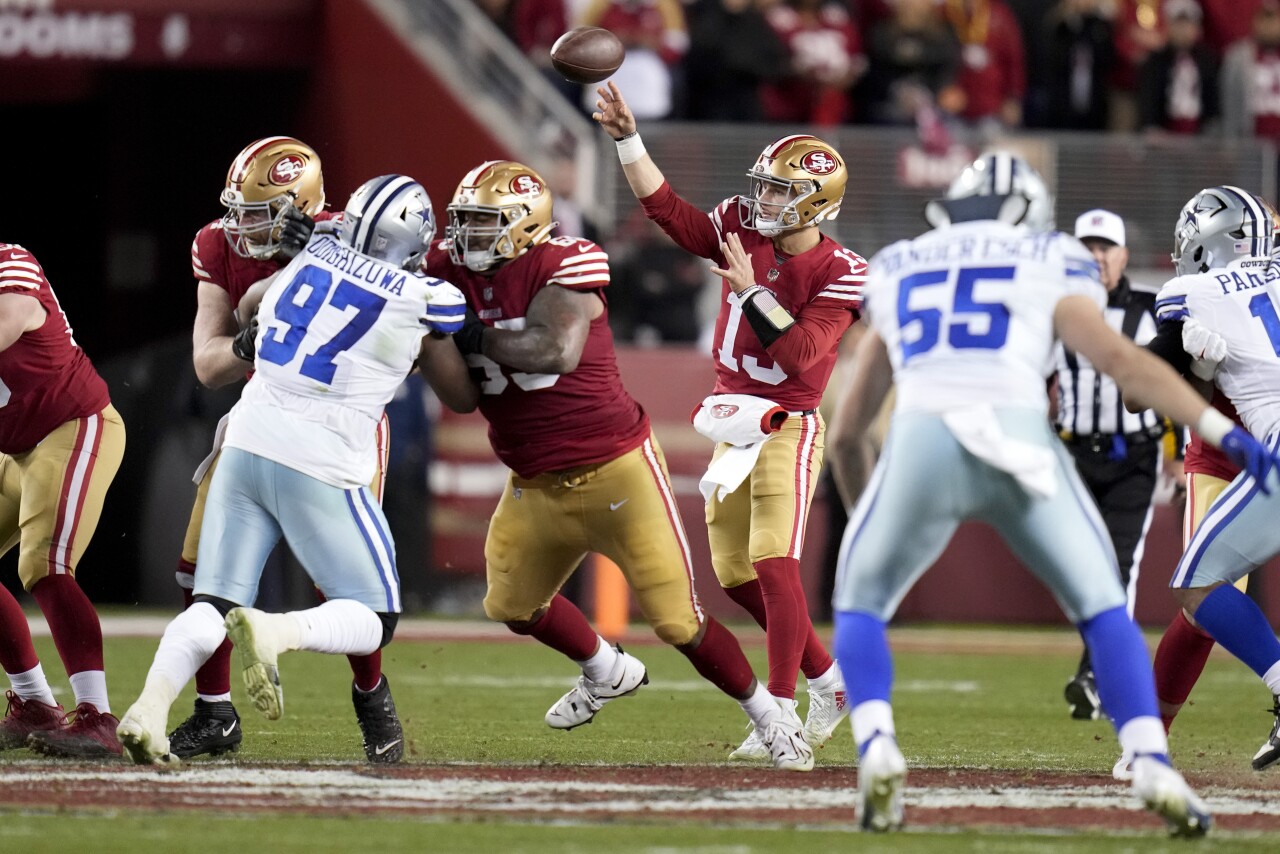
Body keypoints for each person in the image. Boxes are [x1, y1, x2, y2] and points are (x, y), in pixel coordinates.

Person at [825, 152, 1271, 835]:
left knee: (859, 600)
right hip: (1021, 440)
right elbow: (1121, 362)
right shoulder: (1051, 259)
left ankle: (877, 744)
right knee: (1102, 606)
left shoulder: (899, 261)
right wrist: (1217, 429)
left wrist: (870, 518)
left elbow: (849, 429)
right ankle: (1149, 758)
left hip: (923, 434)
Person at [418, 159, 813, 771]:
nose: (467, 236)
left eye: (485, 223)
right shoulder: (442, 271)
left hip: (617, 470)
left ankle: (772, 717)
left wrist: (462, 331)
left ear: (525, 228)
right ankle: (605, 669)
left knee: (679, 622)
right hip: (532, 481)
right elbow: (463, 399)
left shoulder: (563, 261)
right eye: (463, 221)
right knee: (510, 606)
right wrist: (428, 336)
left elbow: (554, 349)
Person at [116, 175, 466, 765]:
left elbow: (253, 307)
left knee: (211, 603)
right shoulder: (422, 295)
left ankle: (149, 707)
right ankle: (278, 632)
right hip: (322, 458)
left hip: (247, 440)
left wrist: (314, 251)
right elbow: (455, 364)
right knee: (374, 615)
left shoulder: (314, 251)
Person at [593, 82, 858, 762]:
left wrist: (748, 291)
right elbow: (669, 214)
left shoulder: (841, 270)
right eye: (763, 188)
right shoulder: (740, 228)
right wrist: (628, 138)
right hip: (734, 421)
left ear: (815, 203)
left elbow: (800, 354)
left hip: (788, 423)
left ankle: (780, 716)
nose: (763, 201)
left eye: (779, 192)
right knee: (736, 575)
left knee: (775, 563)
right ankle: (828, 680)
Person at [176, 136, 403, 763]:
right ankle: (214, 711)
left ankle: (370, 693)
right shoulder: (216, 244)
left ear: (302, 208)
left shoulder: (354, 237)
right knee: (200, 573)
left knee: (348, 585)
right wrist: (253, 342)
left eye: (259, 212)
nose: (240, 227)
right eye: (237, 210)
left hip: (339, 427)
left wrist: (325, 259)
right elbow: (207, 362)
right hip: (261, 418)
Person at [1136, 185, 1280, 772]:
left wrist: (1189, 357)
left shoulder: (1193, 292)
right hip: (1223, 454)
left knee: (1199, 586)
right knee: (1206, 606)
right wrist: (1196, 363)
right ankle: (1152, 735)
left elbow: (1136, 390)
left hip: (1261, 447)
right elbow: (1179, 395)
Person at [0, 244, 126, 759]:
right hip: (15, 445)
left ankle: (97, 715)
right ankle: (33, 702)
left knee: (44, 563)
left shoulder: (11, 265)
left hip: (73, 426)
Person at [1052, 208, 1166, 720]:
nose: (1097, 256)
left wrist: (1182, 454)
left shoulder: (1152, 308)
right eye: (1088, 247)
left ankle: (1095, 675)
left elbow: (1174, 379)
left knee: (1118, 566)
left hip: (1132, 459)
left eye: (1106, 247)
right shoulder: (1053, 306)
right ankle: (1101, 670)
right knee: (1076, 571)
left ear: (1123, 255)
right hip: (1073, 454)